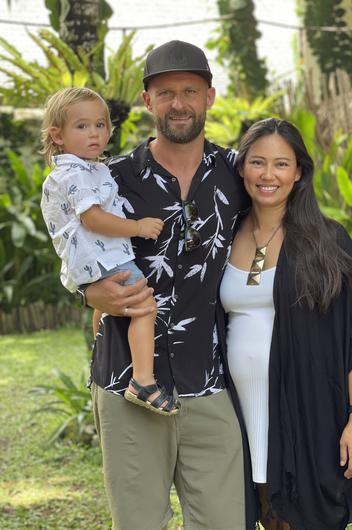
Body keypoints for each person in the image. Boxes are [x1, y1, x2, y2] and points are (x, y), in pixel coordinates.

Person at [84, 41, 258, 530]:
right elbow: (73, 251)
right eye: (165, 93)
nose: (178, 103)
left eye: (189, 91)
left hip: (211, 380)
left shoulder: (239, 174)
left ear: (210, 97)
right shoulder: (108, 180)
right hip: (127, 385)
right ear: (147, 100)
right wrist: (87, 293)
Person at [219, 118, 352, 530]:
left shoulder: (326, 241)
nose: (268, 175)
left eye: (281, 164)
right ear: (241, 168)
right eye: (258, 162)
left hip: (308, 417)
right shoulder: (222, 237)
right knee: (263, 514)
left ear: (298, 172)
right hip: (238, 417)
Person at [40, 87, 180, 416]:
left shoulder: (86, 169)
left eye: (100, 125)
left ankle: (101, 359)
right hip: (103, 257)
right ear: (57, 136)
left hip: (92, 261)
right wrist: (138, 227)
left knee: (104, 311)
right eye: (82, 126)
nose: (94, 134)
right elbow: (93, 217)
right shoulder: (75, 173)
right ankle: (143, 381)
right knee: (144, 307)